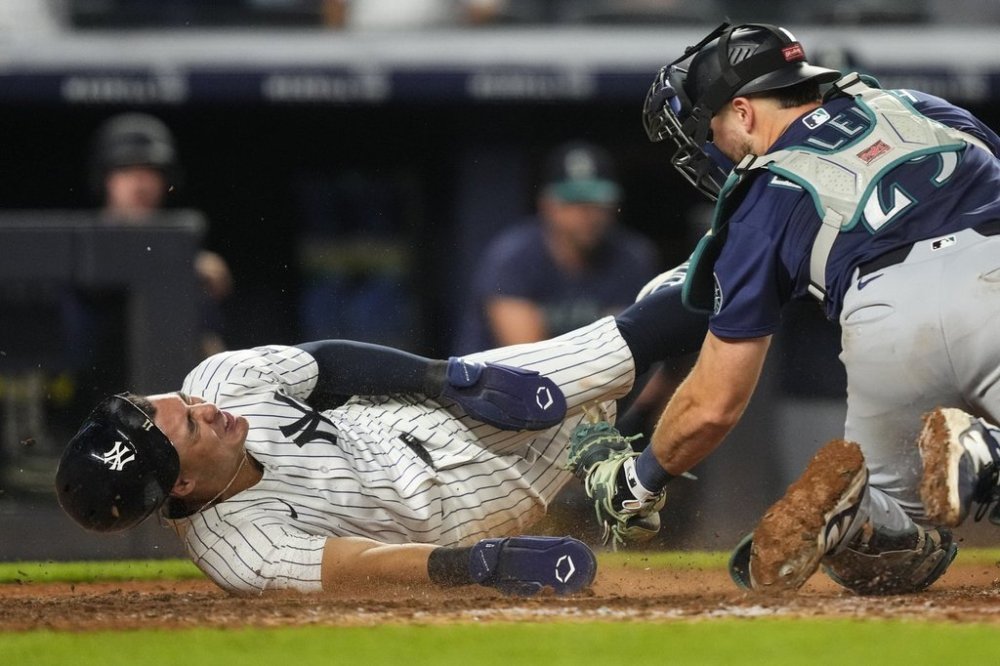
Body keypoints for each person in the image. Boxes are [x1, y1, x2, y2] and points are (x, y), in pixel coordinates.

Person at [568, 21, 1000, 595]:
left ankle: (858, 515)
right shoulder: (917, 106)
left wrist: (641, 481)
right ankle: (983, 456)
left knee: (887, 554)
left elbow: (714, 404)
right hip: (991, 281)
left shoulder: (761, 198)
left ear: (744, 112)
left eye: (712, 126)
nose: (712, 144)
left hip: (883, 330)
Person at [54, 279, 708, 596]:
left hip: (422, 420)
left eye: (180, 403)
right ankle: (616, 479)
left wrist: (445, 379)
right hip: (460, 504)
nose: (204, 406)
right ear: (184, 484)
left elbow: (327, 363)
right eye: (192, 425)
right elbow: (355, 568)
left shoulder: (219, 378)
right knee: (609, 377)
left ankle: (772, 254)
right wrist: (479, 564)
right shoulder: (237, 550)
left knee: (623, 338)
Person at [455, 140, 661, 353]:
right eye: (574, 201)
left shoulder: (632, 256)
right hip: (502, 383)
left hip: (597, 381)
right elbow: (530, 358)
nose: (587, 214)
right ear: (547, 205)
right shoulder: (514, 255)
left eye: (597, 202)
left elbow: (633, 348)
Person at [89, 112, 233, 357]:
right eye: (126, 171)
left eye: (149, 172)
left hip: (158, 380)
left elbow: (208, 341)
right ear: (106, 179)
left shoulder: (185, 242)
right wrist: (180, 266)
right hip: (90, 381)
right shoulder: (88, 240)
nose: (139, 185)